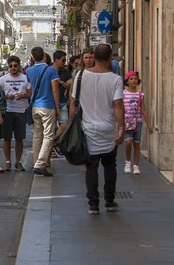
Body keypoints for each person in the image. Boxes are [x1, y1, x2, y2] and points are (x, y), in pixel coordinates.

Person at [70, 43, 124, 215]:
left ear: (94, 57)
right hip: (108, 128)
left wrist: (72, 123)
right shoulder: (115, 79)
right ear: (110, 58)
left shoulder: (80, 75)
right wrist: (121, 127)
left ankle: (93, 204)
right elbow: (117, 104)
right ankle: (109, 200)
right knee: (109, 164)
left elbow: (74, 103)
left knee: (91, 166)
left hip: (88, 128)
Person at [26, 47, 60, 177]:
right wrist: (57, 107)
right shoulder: (51, 70)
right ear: (45, 56)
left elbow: (30, 87)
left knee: (37, 135)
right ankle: (41, 163)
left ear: (33, 58)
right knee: (48, 135)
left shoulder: (29, 71)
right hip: (48, 105)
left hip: (35, 105)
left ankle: (36, 161)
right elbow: (55, 90)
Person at [0, 56, 32, 171]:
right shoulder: (3, 79)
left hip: (21, 110)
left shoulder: (25, 78)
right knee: (6, 138)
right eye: (11, 66)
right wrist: (6, 96)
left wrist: (24, 95)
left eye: (15, 66)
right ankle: (8, 162)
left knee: (19, 138)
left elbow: (29, 93)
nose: (13, 68)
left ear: (19, 66)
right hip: (7, 111)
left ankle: (18, 162)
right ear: (8, 67)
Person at [123, 71, 153, 175]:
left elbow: (143, 110)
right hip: (127, 122)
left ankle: (136, 166)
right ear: (127, 81)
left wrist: (149, 124)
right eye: (131, 79)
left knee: (137, 143)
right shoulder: (123, 94)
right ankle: (127, 162)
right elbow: (119, 108)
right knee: (128, 142)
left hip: (138, 122)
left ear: (138, 81)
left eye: (135, 79)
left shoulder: (140, 94)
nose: (133, 81)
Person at [53, 50, 72, 126]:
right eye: (63, 60)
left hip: (62, 101)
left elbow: (70, 85)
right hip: (51, 102)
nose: (64, 62)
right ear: (56, 60)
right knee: (52, 126)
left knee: (64, 124)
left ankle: (58, 138)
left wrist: (61, 82)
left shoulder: (65, 72)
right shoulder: (49, 70)